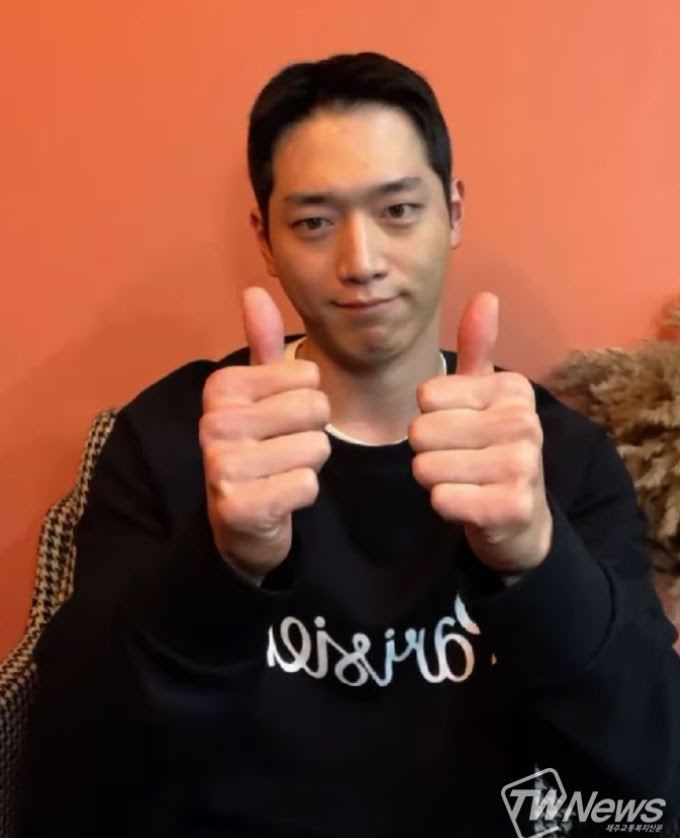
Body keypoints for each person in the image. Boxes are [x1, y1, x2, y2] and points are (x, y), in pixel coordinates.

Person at [20, 51, 680, 838]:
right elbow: (63, 783)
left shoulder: (553, 456)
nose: (361, 262)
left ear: (453, 212)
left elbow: (656, 781)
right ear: (266, 240)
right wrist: (219, 565)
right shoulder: (172, 439)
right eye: (313, 222)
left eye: (398, 210)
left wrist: (537, 559)